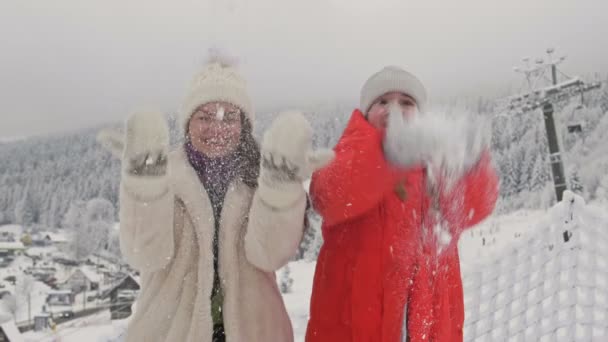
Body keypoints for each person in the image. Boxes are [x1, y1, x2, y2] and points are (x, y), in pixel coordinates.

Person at [98, 59, 333, 342]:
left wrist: (278, 190)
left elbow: (270, 255)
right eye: (204, 117)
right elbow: (145, 255)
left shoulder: (264, 178)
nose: (216, 128)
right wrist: (144, 188)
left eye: (229, 117)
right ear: (188, 124)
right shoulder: (162, 176)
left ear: (243, 125)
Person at [305, 66, 499, 341]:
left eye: (406, 102)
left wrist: (472, 165)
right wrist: (387, 155)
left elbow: (474, 206)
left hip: (431, 326)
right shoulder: (344, 156)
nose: (393, 109)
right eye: (382, 101)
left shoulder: (436, 165)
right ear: (365, 112)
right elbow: (327, 196)